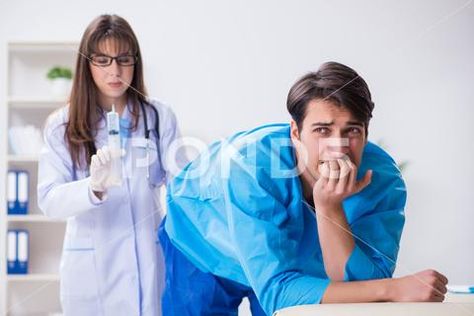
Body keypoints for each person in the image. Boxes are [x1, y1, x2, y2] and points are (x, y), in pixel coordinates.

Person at [159, 62, 448, 315]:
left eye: (352, 130)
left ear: (366, 133)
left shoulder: (383, 179)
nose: (339, 147)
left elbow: (364, 288)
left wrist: (329, 207)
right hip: (200, 240)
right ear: (295, 133)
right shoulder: (251, 170)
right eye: (323, 130)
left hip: (285, 262)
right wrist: (393, 290)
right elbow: (278, 294)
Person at [38, 14, 185, 315]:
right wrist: (92, 188)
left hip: (149, 262)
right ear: (87, 64)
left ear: (136, 62)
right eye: (103, 60)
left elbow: (182, 186)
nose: (115, 70)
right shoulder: (61, 126)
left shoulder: (159, 116)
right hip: (91, 271)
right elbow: (49, 200)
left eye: (123, 59)